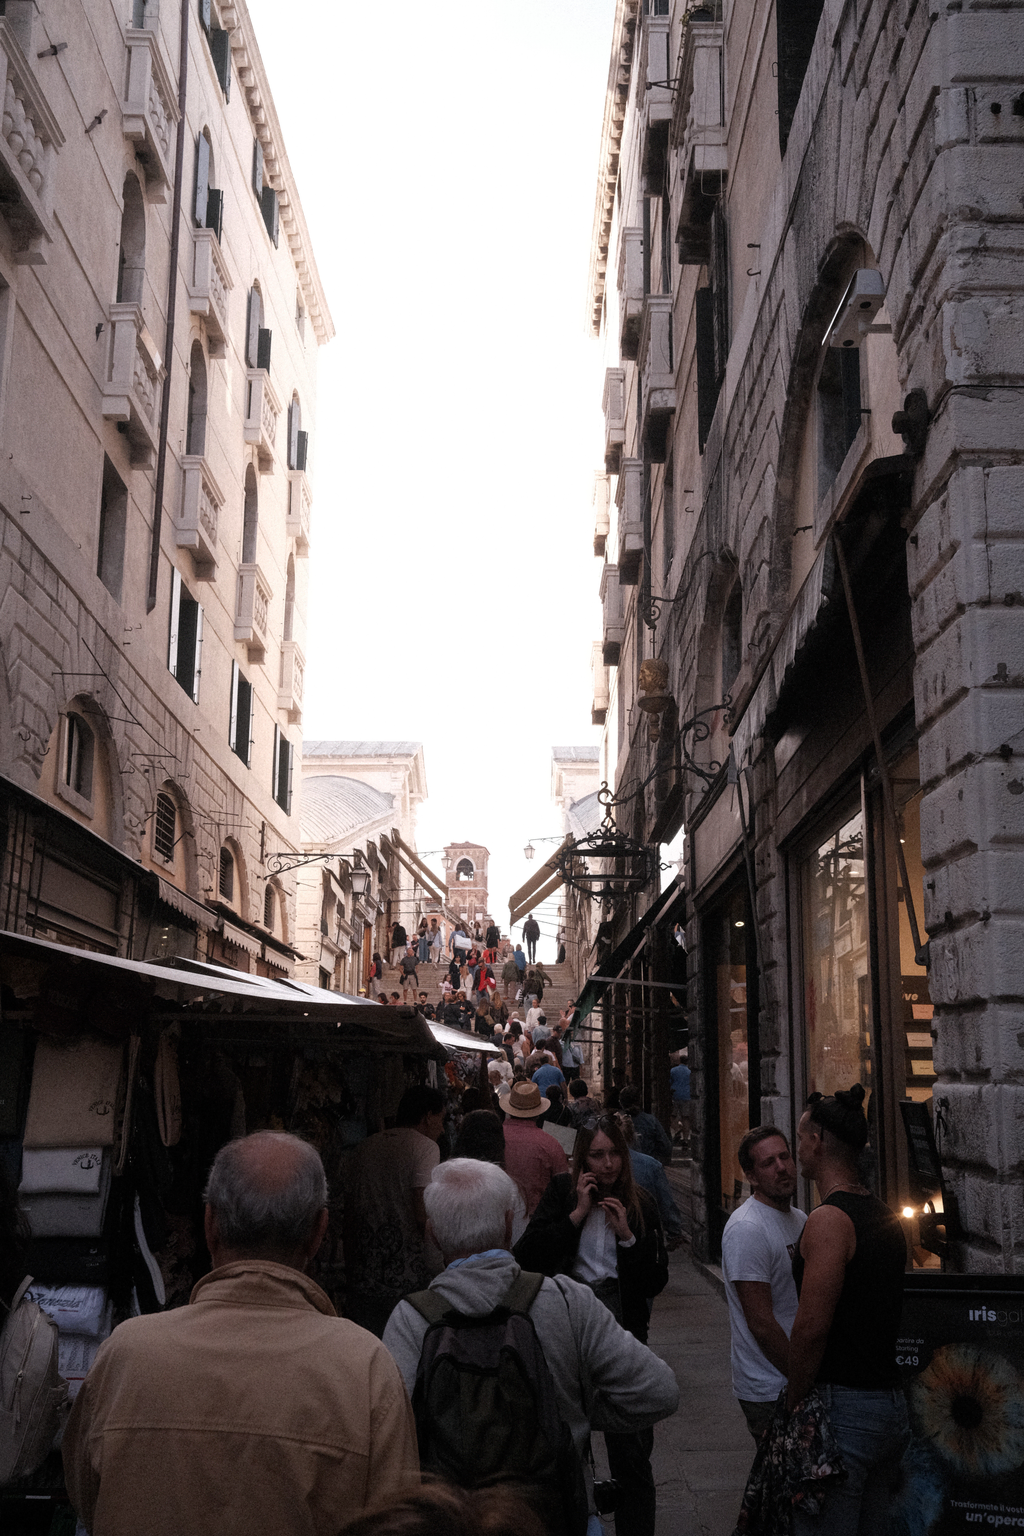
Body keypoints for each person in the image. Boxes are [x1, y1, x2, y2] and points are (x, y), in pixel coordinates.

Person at [63, 1132, 418, 1536]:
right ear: (319, 1233)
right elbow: (397, 1520)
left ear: (210, 1224)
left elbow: (88, 1498)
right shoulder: (366, 1367)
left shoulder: (125, 1354)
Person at [382, 1160, 679, 1533]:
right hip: (560, 1515)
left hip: (455, 1521)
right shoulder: (567, 1301)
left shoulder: (410, 1320)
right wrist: (574, 1409)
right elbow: (659, 1392)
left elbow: (392, 1441)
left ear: (433, 1235)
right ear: (509, 1224)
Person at [513, 1116, 670, 1536]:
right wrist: (577, 1215)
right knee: (567, 1447)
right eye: (597, 1155)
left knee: (632, 1454)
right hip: (569, 1326)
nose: (607, 1164)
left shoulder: (641, 1204)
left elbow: (656, 1279)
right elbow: (527, 1258)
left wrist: (628, 1240)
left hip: (622, 1328)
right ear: (583, 1158)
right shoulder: (563, 1195)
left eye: (614, 1153)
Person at [787, 1086, 909, 1536]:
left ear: (817, 1140)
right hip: (887, 1405)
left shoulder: (828, 1221)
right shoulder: (885, 1216)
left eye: (801, 1137)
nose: (798, 1148)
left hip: (844, 1410)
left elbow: (812, 1326)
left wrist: (795, 1395)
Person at [721, 1126, 806, 1442]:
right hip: (771, 1387)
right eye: (768, 1162)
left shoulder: (800, 1219)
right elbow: (761, 1322)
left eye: (784, 1156)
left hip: (791, 1380)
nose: (781, 1167)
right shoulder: (747, 1229)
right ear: (752, 1176)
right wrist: (802, 1377)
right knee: (783, 1486)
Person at [343, 1086, 447, 1336]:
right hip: (406, 1274)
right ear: (427, 1116)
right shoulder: (425, 1148)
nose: (442, 1129)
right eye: (441, 1120)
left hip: (363, 1272)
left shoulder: (366, 1146)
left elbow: (349, 1210)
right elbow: (421, 1212)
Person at [614, 1112, 684, 1251]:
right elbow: (666, 1203)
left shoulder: (601, 1166)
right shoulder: (651, 1165)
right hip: (644, 1232)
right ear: (632, 1136)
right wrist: (674, 1232)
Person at [501, 1080, 568, 1216]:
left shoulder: (494, 1137)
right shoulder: (550, 1144)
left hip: (498, 1217)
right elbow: (563, 1188)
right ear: (538, 1112)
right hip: (538, 1218)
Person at [618, 1086, 673, 1166]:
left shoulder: (616, 1121)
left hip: (623, 1166)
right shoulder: (651, 1121)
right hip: (648, 1165)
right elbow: (666, 1148)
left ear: (621, 1102)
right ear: (639, 1101)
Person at [669, 1057, 691, 1152]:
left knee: (672, 1116)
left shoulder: (673, 1070)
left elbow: (670, 1082)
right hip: (687, 1095)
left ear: (679, 1061)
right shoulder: (690, 1071)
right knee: (685, 1118)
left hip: (675, 1095)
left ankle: (677, 1129)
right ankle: (685, 1140)